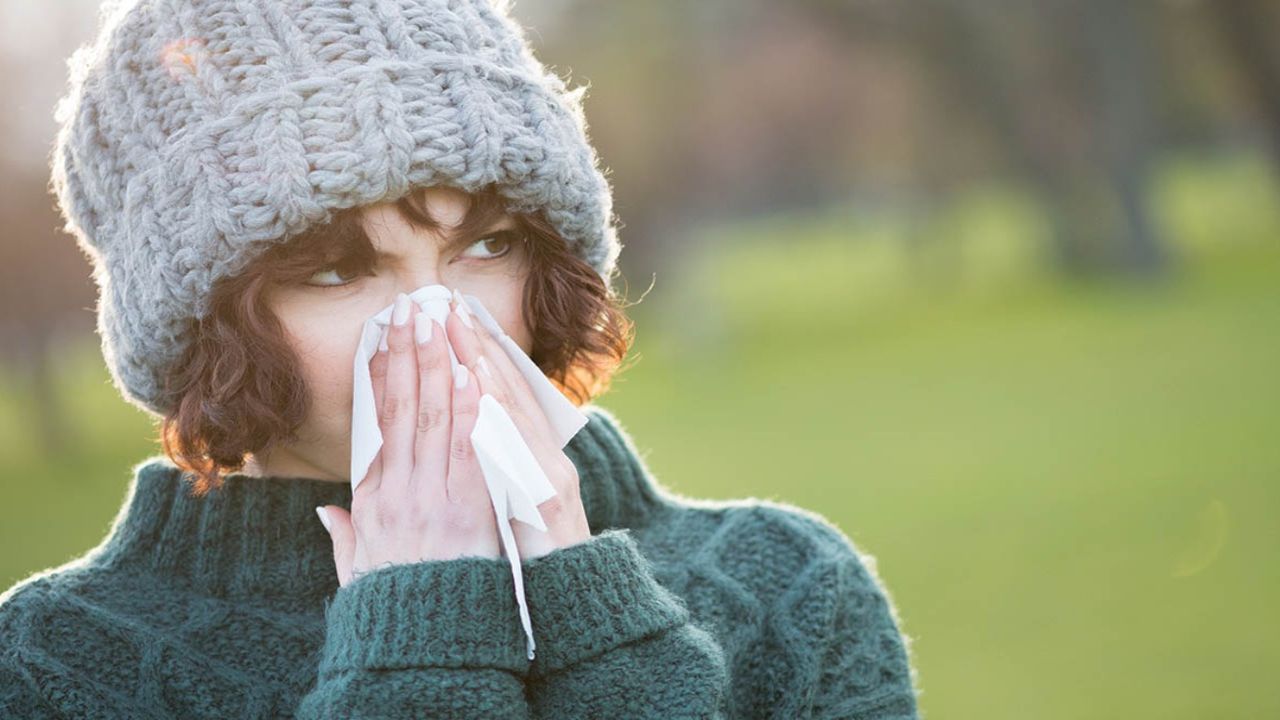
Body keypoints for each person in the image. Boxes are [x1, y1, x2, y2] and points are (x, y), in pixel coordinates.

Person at [0, 0, 923, 717]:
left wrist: (602, 635)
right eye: (335, 269)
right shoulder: (54, 666)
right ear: (204, 328)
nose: (435, 324)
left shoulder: (788, 587)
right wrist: (419, 639)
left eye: (487, 247)